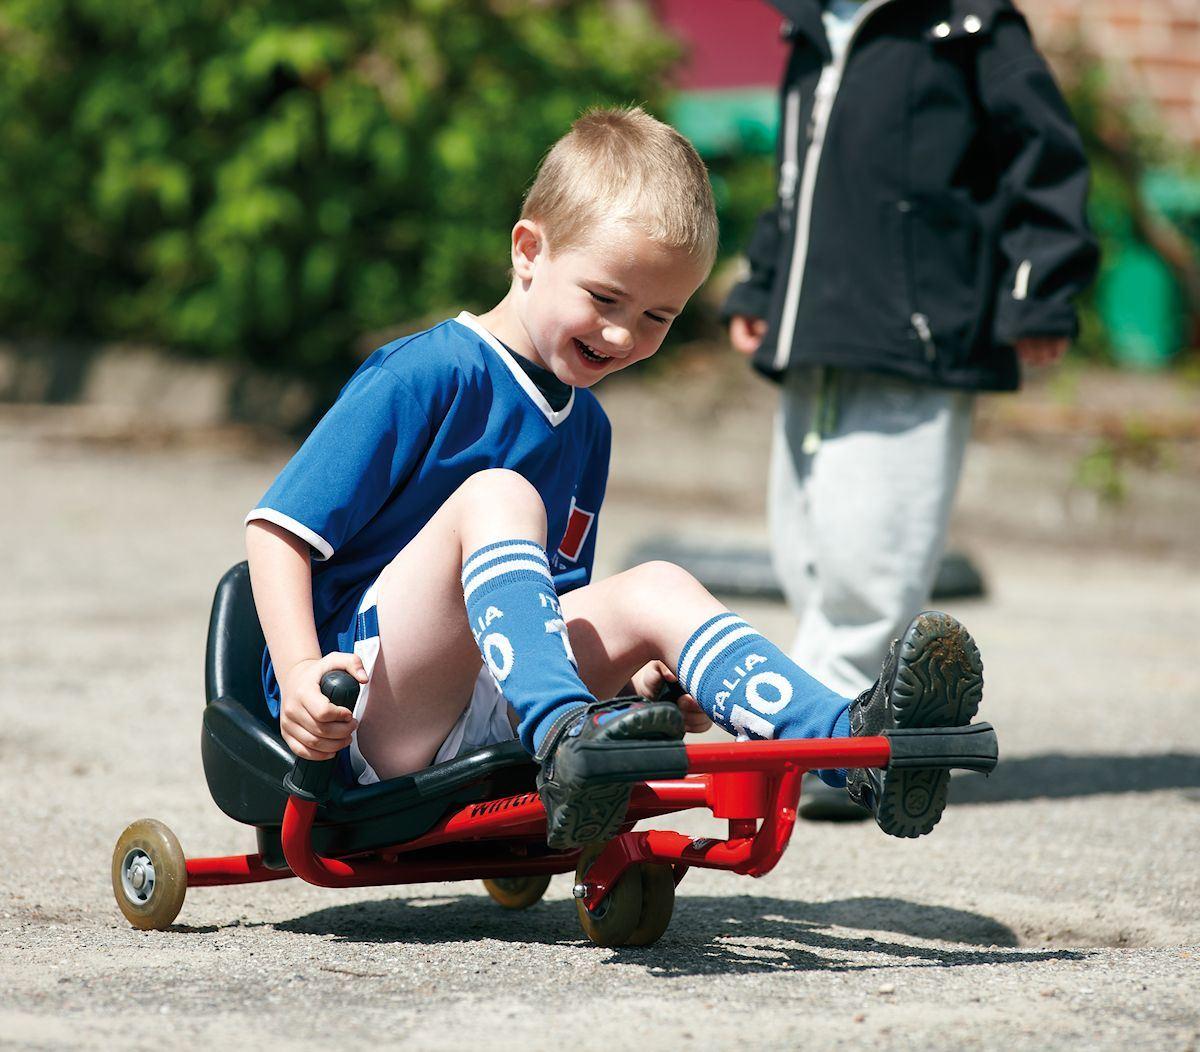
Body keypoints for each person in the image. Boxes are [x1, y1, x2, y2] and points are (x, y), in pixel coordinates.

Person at [245, 106, 986, 850]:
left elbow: (541, 616)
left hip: (500, 711)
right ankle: (571, 740)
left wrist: (639, 684)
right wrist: (302, 672)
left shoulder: (588, 426)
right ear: (529, 250)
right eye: (604, 299)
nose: (623, 335)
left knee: (657, 584)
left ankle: (853, 748)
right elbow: (275, 532)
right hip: (368, 721)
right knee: (498, 495)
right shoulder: (426, 373)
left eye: (659, 317)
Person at [723, 0, 1097, 818]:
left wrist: (1040, 290)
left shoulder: (964, 25)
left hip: (917, 331)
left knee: (872, 550)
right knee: (808, 547)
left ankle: (838, 749)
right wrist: (762, 277)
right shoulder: (814, 27)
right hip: (817, 325)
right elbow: (796, 174)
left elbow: (1047, 155)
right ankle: (810, 727)